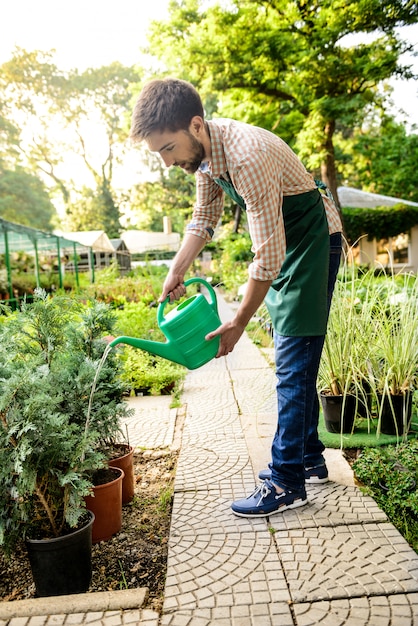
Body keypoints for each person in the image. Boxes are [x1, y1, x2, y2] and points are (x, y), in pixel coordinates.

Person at [130, 78, 343, 518]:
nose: (168, 163)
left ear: (195, 125)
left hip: (312, 242)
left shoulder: (246, 155)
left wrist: (239, 321)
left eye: (168, 149)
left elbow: (267, 254)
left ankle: (286, 481)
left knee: (293, 360)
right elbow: (205, 217)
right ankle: (308, 457)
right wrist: (177, 269)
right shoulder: (205, 157)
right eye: (159, 154)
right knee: (295, 355)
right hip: (287, 244)